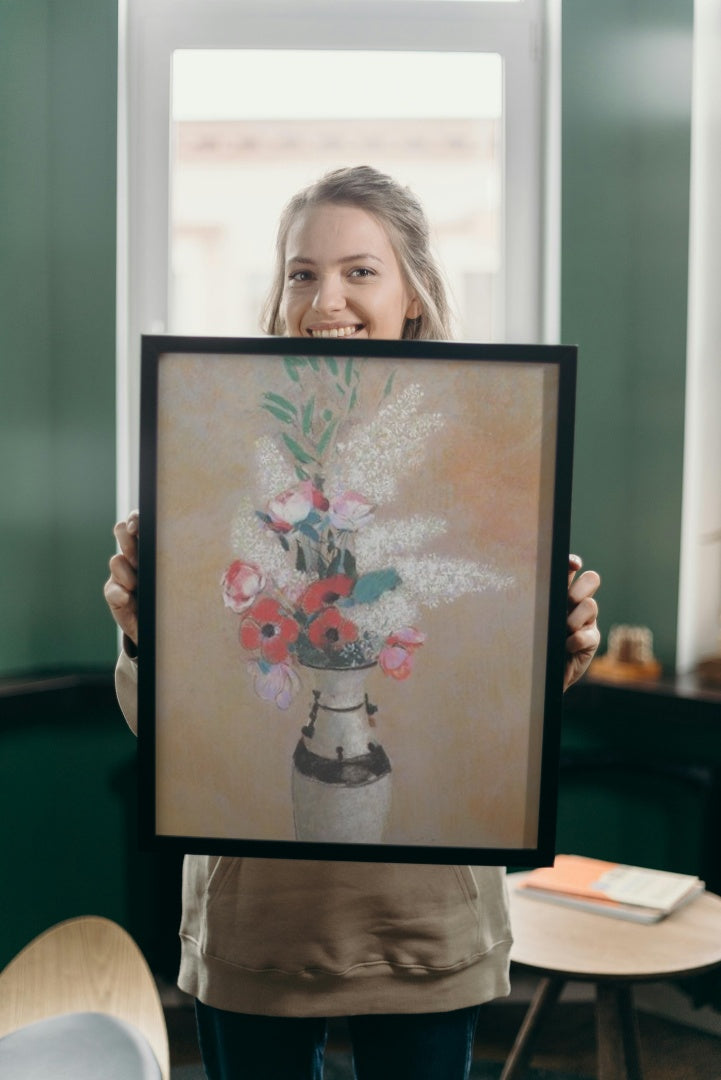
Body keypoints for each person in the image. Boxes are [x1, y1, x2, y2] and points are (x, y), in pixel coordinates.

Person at [105, 166, 601, 1080]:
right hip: (258, 921)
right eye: (301, 272)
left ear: (413, 292)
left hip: (423, 921)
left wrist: (555, 650)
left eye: (359, 271)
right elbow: (174, 728)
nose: (324, 298)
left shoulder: (489, 458)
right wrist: (144, 636)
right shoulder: (210, 450)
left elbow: (489, 707)